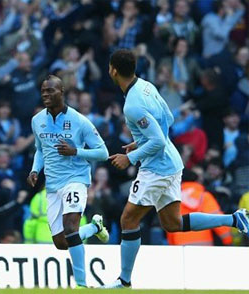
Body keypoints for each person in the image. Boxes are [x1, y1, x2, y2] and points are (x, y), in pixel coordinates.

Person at [104, 49, 249, 289]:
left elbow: (158, 140)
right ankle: (234, 219)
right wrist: (140, 140)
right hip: (171, 162)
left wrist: (131, 158)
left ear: (113, 70)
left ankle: (124, 281)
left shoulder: (132, 105)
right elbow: (168, 119)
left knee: (128, 219)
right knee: (172, 223)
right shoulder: (147, 86)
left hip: (157, 167)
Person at [27, 75, 110, 289]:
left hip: (75, 179)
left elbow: (103, 152)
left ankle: (81, 285)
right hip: (53, 185)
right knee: (61, 243)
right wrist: (35, 169)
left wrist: (76, 151)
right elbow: (40, 149)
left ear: (62, 92)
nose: (46, 94)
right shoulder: (37, 120)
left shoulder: (79, 121)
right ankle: (94, 227)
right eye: (43, 91)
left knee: (71, 229)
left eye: (51, 91)